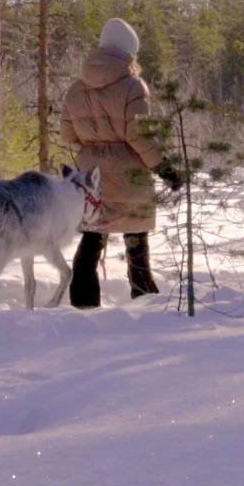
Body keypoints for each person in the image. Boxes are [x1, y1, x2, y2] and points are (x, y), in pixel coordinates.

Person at [62, 17, 177, 307]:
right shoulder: (132, 86)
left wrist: (93, 147)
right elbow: (140, 136)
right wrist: (164, 169)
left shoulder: (76, 89)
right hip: (129, 174)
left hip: (90, 176)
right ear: (128, 52)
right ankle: (145, 304)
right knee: (135, 242)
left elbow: (68, 134)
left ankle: (83, 306)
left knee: (91, 239)